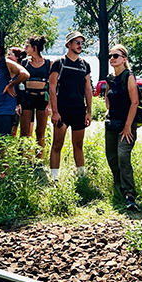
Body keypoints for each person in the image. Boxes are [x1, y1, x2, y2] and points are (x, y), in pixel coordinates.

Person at [48, 31, 93, 181]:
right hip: (62, 111)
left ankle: (81, 177)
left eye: (81, 43)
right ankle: (54, 178)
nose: (80, 45)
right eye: (77, 42)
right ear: (68, 44)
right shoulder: (59, 63)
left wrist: (89, 112)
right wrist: (55, 111)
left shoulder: (84, 65)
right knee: (57, 144)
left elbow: (88, 89)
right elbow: (52, 87)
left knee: (78, 145)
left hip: (79, 111)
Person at [105, 45, 140, 210]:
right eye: (110, 55)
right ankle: (118, 187)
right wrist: (107, 111)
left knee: (122, 155)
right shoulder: (110, 78)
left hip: (127, 125)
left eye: (116, 56)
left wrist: (127, 127)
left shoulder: (129, 76)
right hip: (112, 123)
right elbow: (108, 96)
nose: (112, 58)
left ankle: (129, 193)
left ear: (124, 59)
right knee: (111, 156)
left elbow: (135, 102)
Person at [19, 35, 51, 154]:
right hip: (27, 98)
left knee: (40, 132)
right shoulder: (24, 63)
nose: (25, 48)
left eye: (27, 46)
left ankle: (39, 160)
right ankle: (23, 159)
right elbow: (20, 83)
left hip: (42, 98)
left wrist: (50, 105)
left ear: (35, 48)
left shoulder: (48, 63)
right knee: (25, 132)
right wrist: (19, 103)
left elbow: (53, 86)